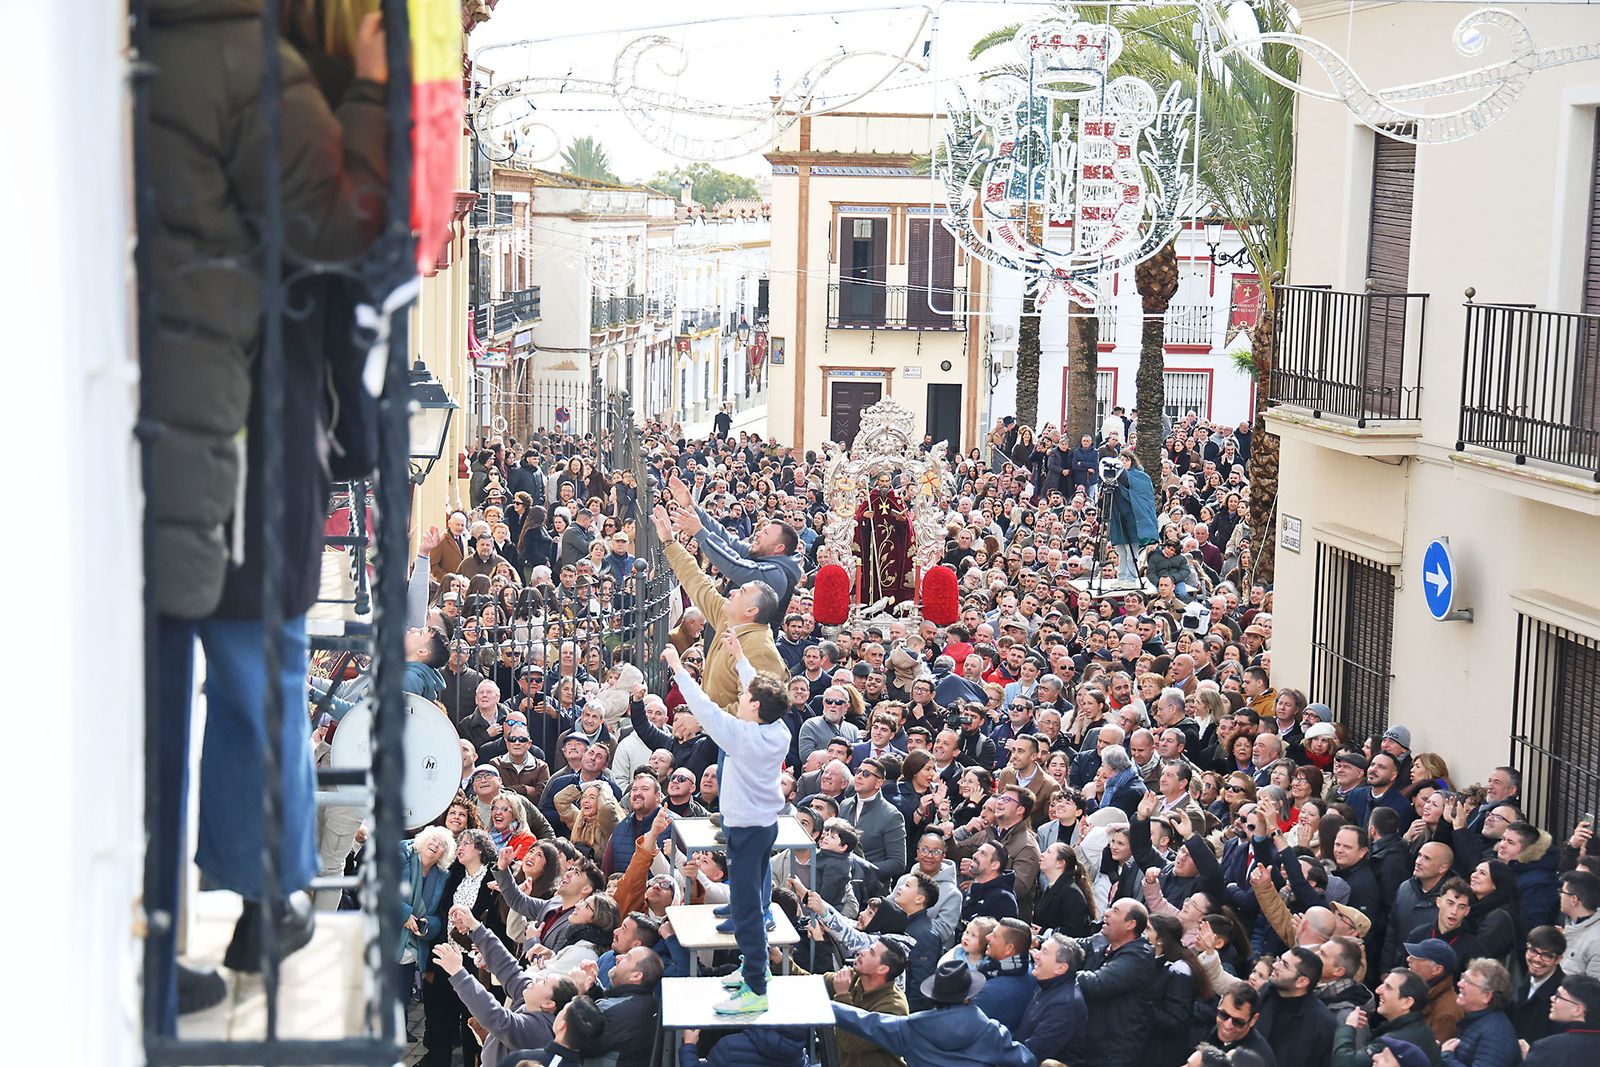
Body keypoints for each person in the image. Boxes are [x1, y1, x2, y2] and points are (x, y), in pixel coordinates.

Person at [662, 639, 791, 1015]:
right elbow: (760, 689)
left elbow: (704, 708)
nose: (743, 696)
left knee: (748, 910)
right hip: (760, 825)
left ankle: (756, 985)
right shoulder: (776, 727)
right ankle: (755, 970)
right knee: (757, 893)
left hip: (748, 829)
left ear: (754, 708)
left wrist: (676, 665)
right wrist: (739, 657)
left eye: (747, 697)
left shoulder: (743, 736)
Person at [829, 958, 1037, 1067]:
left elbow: (863, 1021)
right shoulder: (991, 1032)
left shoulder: (910, 1027)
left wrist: (827, 1003)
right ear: (969, 996)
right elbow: (1027, 1061)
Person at [1440, 958, 1519, 1067]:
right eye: (1463, 977)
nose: (1459, 984)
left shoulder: (1495, 1035)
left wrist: (1447, 1058)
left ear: (1486, 996)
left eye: (1467, 981)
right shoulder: (1478, 1021)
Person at [1521, 974, 1600, 1066]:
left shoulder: (1548, 1048)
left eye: (1558, 996)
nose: (1552, 998)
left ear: (1577, 1010)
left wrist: (1534, 1057)